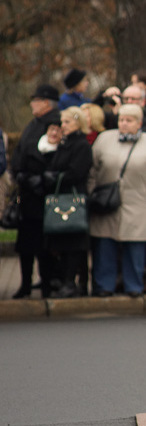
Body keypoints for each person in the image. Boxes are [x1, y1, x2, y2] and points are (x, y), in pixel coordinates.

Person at [89, 104, 146, 297]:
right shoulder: (104, 139)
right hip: (106, 203)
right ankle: (104, 285)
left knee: (135, 247)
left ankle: (134, 286)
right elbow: (92, 169)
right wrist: (93, 192)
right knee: (105, 245)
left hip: (139, 203)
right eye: (121, 120)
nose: (124, 124)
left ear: (139, 123)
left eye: (129, 120)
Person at [10, 85, 63, 299]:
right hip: (29, 193)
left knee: (45, 245)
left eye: (36, 100)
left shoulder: (55, 122)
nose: (32, 103)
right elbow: (21, 151)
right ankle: (25, 283)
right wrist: (20, 174)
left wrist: (42, 179)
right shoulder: (33, 124)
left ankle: (48, 282)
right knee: (26, 244)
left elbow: (56, 153)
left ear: (47, 102)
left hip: (46, 194)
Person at [45, 107, 93, 297]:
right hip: (61, 197)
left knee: (75, 243)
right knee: (63, 241)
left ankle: (73, 282)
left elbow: (77, 171)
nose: (62, 126)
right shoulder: (64, 144)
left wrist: (57, 177)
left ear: (78, 123)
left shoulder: (81, 145)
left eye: (67, 122)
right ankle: (65, 280)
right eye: (62, 122)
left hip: (74, 198)